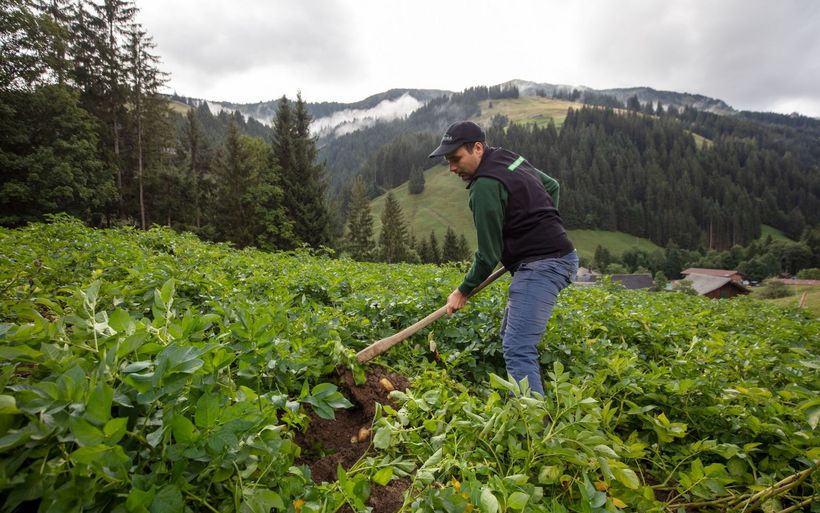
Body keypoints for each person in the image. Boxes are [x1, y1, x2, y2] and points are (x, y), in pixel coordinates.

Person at [428, 121, 578, 396]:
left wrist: (462, 291)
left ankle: (532, 418)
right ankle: (525, 400)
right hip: (555, 257)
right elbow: (551, 186)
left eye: (456, 159)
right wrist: (542, 225)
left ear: (477, 148)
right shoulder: (508, 158)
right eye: (448, 161)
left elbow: (488, 255)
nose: (452, 168)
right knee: (510, 336)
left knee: (518, 346)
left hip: (543, 265)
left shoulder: (484, 186)